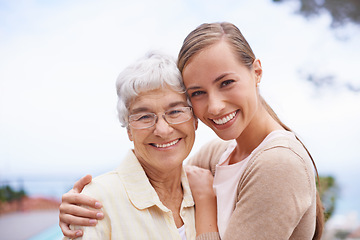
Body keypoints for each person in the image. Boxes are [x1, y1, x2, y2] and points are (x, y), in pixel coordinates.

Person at [60, 22, 324, 239]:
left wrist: (207, 202)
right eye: (198, 92)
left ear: (256, 71)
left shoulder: (279, 163)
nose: (215, 106)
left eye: (227, 82)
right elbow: (159, 175)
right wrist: (81, 203)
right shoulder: (217, 155)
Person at [60, 51, 212, 239]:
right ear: (129, 129)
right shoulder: (96, 200)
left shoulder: (208, 187)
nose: (163, 130)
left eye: (175, 111)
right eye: (144, 116)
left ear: (195, 120)